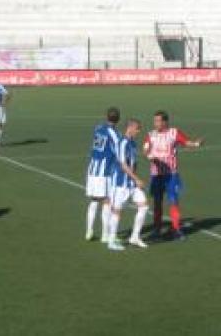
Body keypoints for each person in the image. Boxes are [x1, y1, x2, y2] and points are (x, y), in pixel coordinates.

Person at [143, 110, 203, 240]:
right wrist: (149, 156)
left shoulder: (174, 133)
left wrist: (197, 144)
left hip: (171, 174)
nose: (155, 123)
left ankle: (176, 229)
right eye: (154, 121)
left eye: (158, 121)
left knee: (173, 201)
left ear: (165, 122)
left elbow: (186, 142)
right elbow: (145, 149)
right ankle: (157, 229)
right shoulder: (150, 135)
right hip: (156, 174)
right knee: (157, 202)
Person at [107, 119, 149, 251]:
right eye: (137, 128)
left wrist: (136, 181)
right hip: (120, 183)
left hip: (131, 183)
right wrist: (137, 179)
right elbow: (123, 165)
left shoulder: (133, 143)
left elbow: (133, 163)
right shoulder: (122, 143)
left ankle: (135, 237)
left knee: (144, 206)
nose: (139, 131)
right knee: (117, 211)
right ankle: (111, 241)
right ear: (129, 128)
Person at [85, 107, 121, 242]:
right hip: (104, 171)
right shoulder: (115, 134)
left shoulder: (98, 128)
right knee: (107, 201)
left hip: (92, 168)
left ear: (106, 117)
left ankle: (89, 230)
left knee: (94, 200)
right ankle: (105, 234)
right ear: (118, 119)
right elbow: (118, 150)